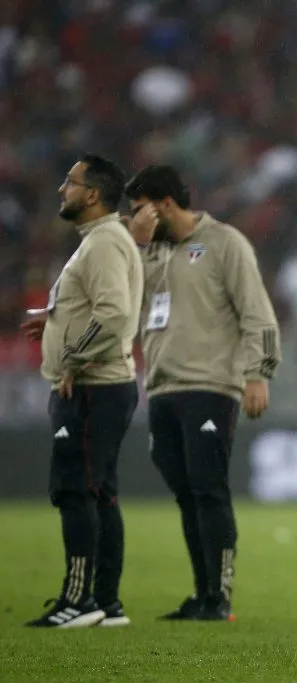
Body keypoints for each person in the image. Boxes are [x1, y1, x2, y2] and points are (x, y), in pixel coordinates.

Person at [124, 165, 281, 621]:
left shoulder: (224, 243)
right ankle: (202, 593)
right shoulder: (148, 251)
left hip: (211, 386)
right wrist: (135, 244)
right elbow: (121, 296)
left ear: (163, 204)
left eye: (139, 211)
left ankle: (220, 596)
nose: (133, 220)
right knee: (187, 493)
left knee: (208, 489)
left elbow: (258, 313)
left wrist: (258, 373)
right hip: (162, 386)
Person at [22, 154, 142, 628]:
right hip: (102, 387)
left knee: (75, 490)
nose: (60, 190)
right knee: (100, 493)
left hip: (91, 387)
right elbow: (99, 308)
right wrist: (54, 323)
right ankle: (106, 603)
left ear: (93, 194)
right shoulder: (102, 240)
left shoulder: (104, 243)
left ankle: (80, 601)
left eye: (69, 182)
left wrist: (70, 356)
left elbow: (113, 315)